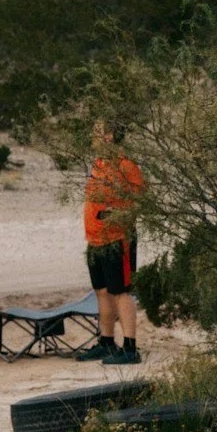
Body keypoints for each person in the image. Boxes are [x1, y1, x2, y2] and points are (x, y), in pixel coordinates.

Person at [76, 120, 145, 365]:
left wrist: (116, 214)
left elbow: (139, 201)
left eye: (97, 131)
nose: (93, 136)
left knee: (121, 292)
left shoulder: (126, 166)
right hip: (95, 239)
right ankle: (106, 342)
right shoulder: (99, 163)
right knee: (102, 291)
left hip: (118, 239)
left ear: (109, 136)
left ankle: (130, 347)